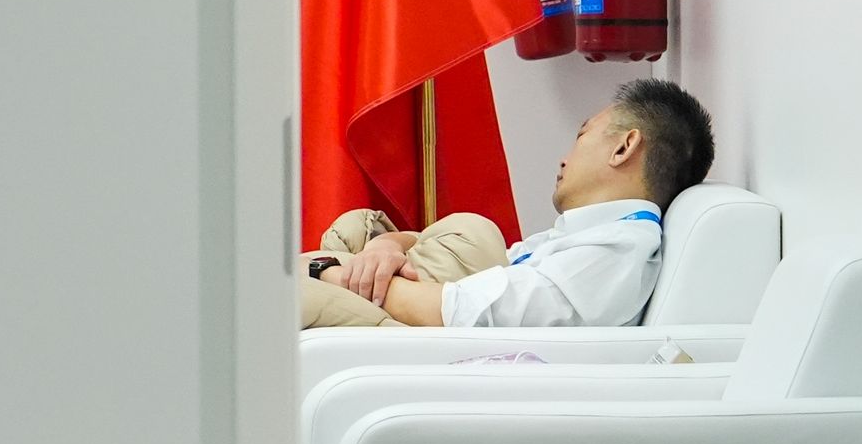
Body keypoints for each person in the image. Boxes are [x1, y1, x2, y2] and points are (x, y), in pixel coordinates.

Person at [297, 77, 714, 330]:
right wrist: (385, 249)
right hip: (423, 309)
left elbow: (454, 312)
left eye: (582, 134)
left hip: (437, 350)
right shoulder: (589, 236)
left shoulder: (611, 255)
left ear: (624, 147)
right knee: (381, 230)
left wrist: (330, 272)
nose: (565, 157)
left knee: (291, 291)